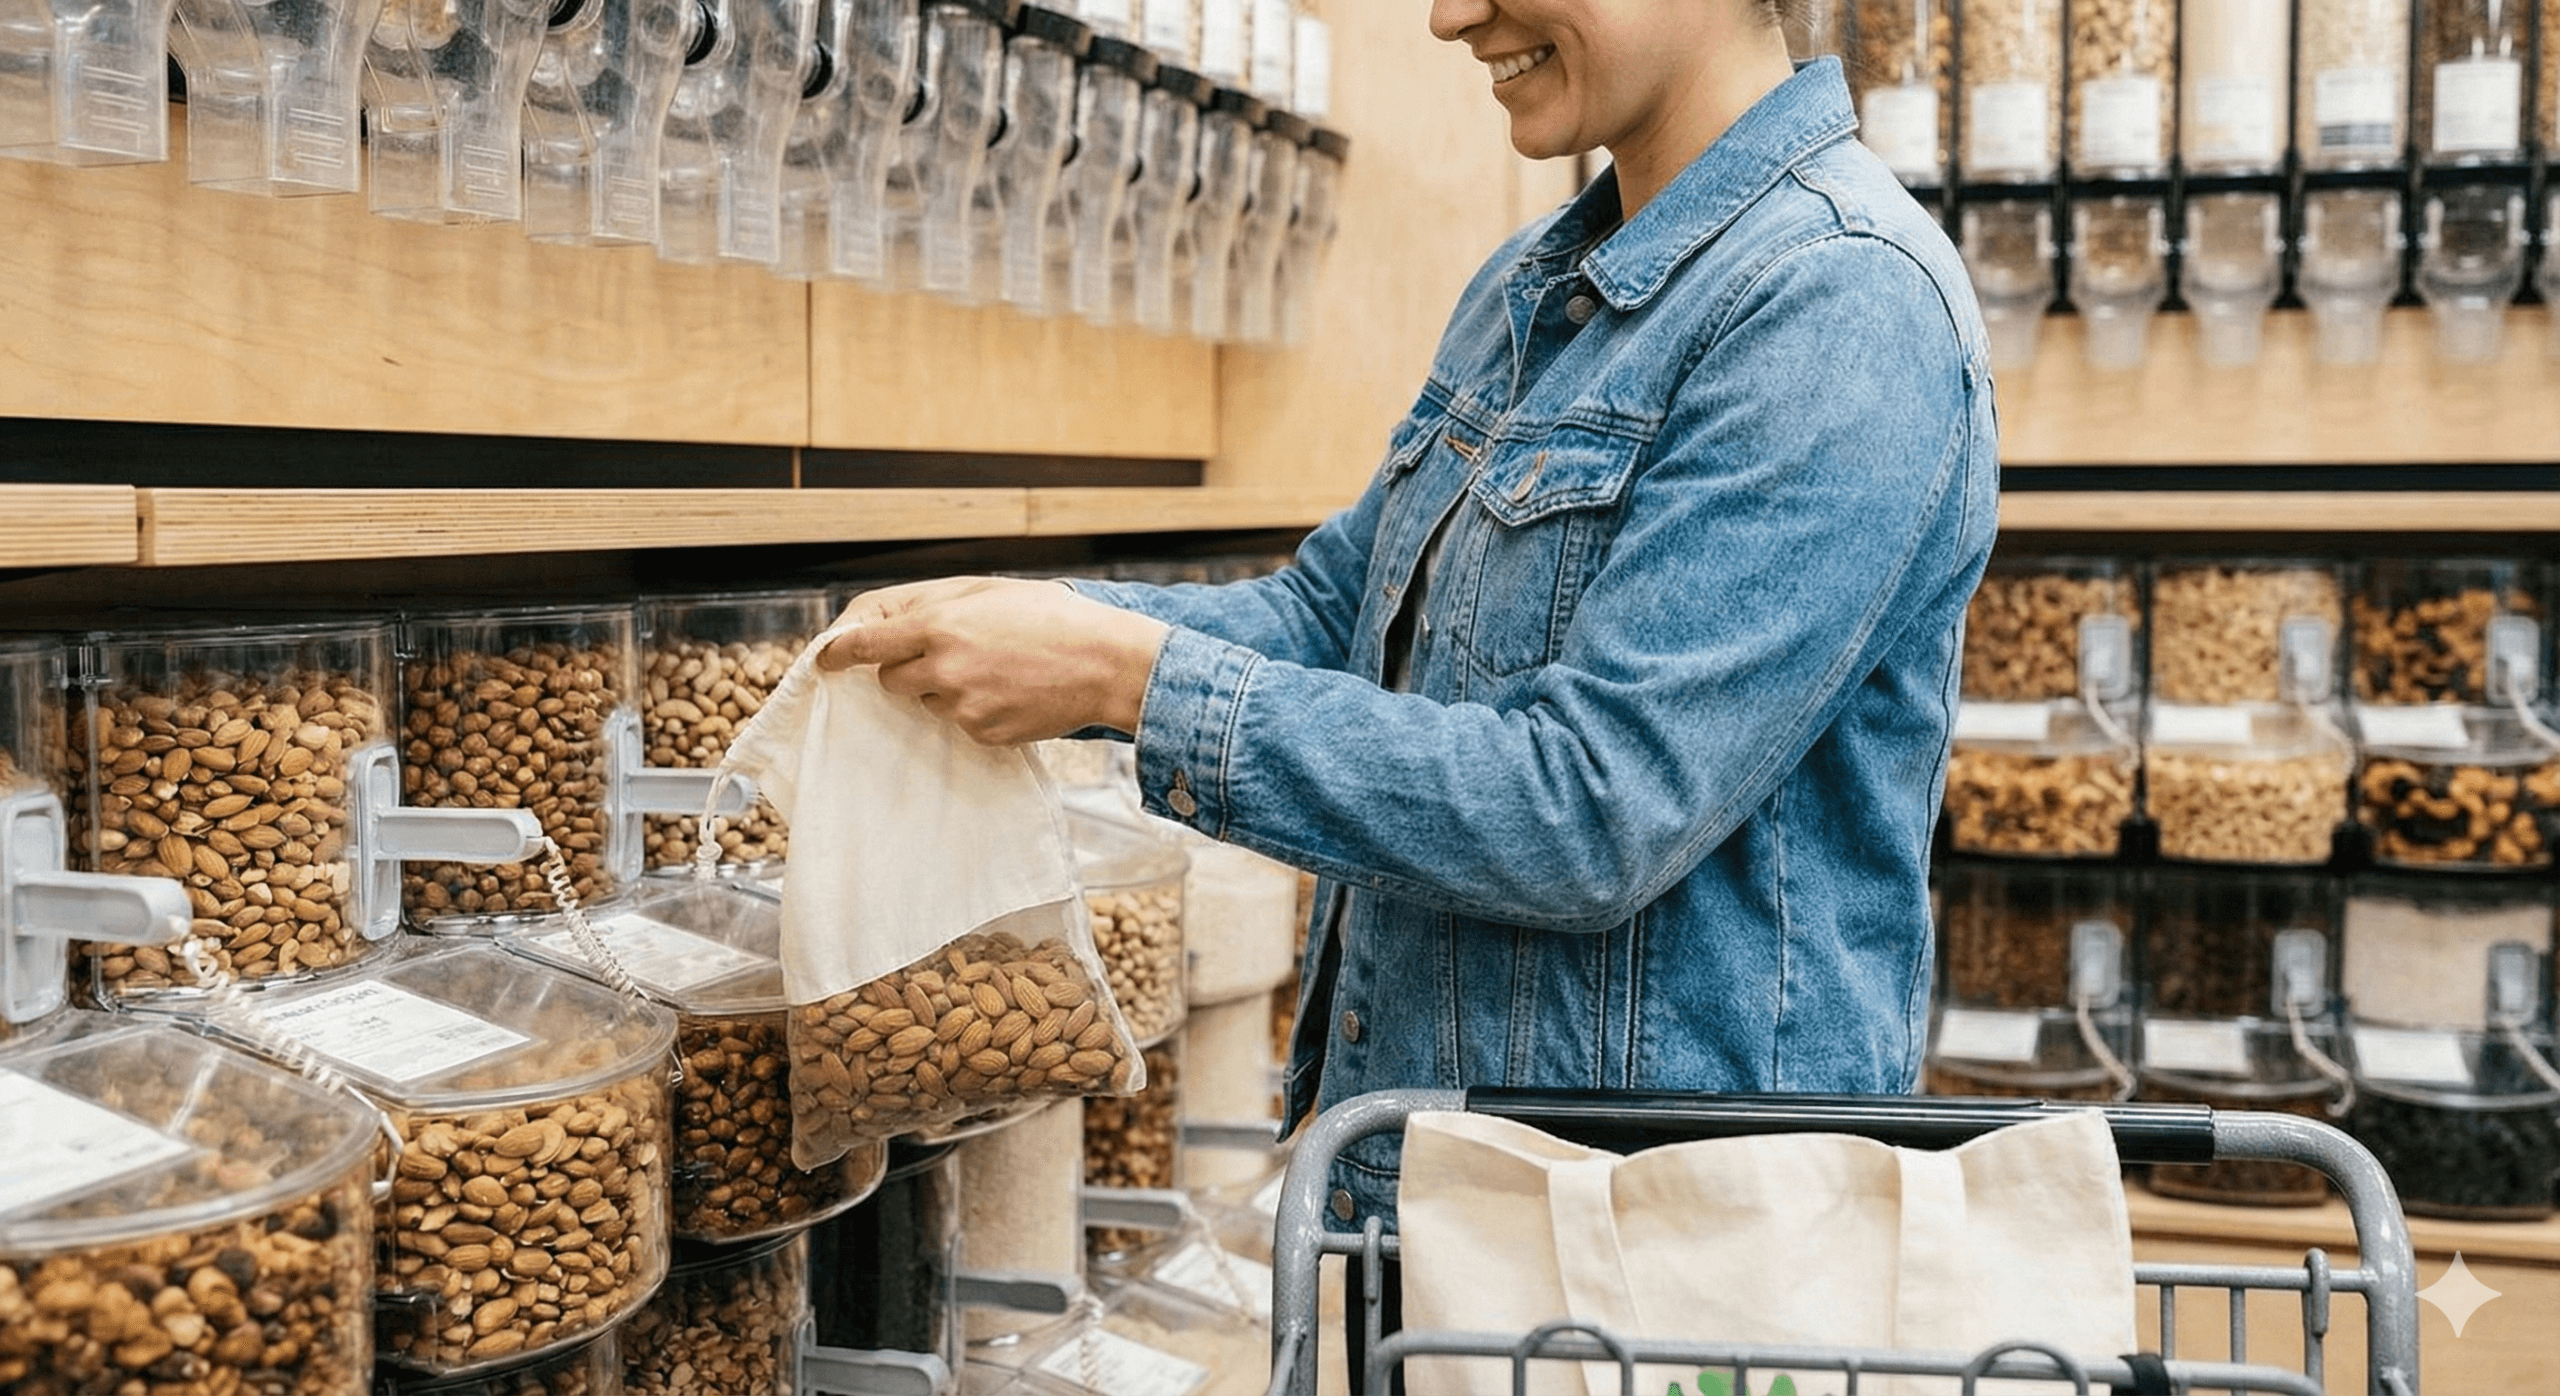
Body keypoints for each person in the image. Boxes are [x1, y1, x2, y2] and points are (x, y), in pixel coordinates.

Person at [825, 0, 1996, 1370]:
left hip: (1667, 1275)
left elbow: (1590, 806)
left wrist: (1131, 680)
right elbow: (1335, 615)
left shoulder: (1841, 299)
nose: (1450, 16)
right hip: (1435, 1222)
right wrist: (1050, 624)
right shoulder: (1532, 290)